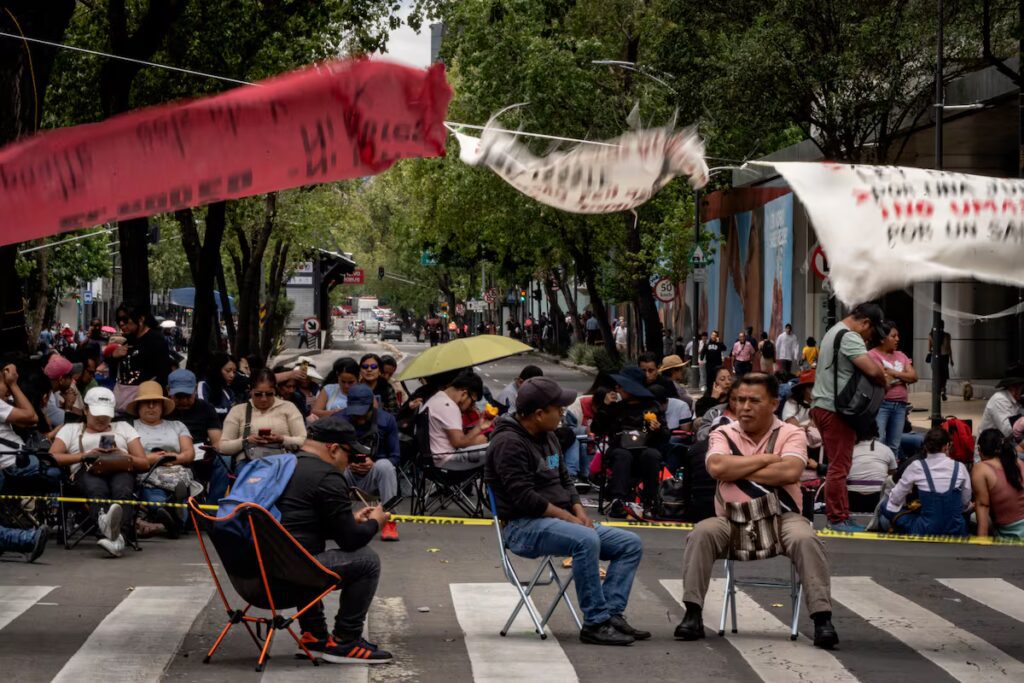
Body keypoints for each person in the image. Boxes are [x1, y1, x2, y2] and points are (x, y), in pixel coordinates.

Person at [676, 373, 837, 649]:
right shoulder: (722, 432)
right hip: (731, 519)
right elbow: (717, 468)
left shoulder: (791, 433)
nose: (744, 407)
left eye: (753, 400)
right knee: (701, 533)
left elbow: (790, 471)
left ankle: (822, 619)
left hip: (781, 519)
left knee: (806, 539)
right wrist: (765, 460)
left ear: (774, 403)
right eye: (739, 400)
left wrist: (737, 467)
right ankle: (692, 614)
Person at [486, 376, 647, 646]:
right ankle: (595, 622)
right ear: (539, 414)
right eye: (557, 409)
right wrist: (570, 519)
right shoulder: (508, 444)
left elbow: (564, 480)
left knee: (629, 543)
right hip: (523, 526)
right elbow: (525, 499)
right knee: (586, 539)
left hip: (561, 521)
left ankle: (611, 614)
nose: (563, 413)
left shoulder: (548, 436)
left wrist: (578, 511)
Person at [273, 417, 393, 664]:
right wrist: (376, 523)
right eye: (351, 456)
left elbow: (298, 523)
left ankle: (314, 635)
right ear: (333, 448)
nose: (350, 463)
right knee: (367, 560)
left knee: (307, 547)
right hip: (288, 577)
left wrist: (350, 519)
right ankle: (345, 641)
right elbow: (350, 541)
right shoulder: (327, 476)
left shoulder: (283, 464)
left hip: (253, 573)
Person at [810, 303, 887, 533]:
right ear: (864, 323)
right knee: (839, 466)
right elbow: (873, 371)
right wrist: (883, 377)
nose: (868, 339)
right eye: (871, 332)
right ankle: (837, 518)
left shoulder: (833, 332)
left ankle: (841, 515)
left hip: (824, 406)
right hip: (835, 410)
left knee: (838, 463)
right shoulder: (849, 337)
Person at [50, 387, 148, 557]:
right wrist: (84, 456)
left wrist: (123, 455)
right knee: (97, 490)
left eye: (106, 414)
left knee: (123, 490)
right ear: (86, 410)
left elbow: (144, 463)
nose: (102, 419)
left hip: (121, 468)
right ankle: (115, 539)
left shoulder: (123, 427)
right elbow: (52, 456)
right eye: (97, 414)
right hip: (86, 471)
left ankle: (115, 538)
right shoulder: (71, 429)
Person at [589, 367, 667, 518]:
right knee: (622, 455)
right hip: (620, 451)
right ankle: (618, 500)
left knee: (652, 454)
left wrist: (657, 429)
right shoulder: (616, 407)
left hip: (645, 450)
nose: (617, 388)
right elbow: (597, 429)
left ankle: (650, 501)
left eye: (621, 385)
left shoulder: (652, 406)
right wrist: (605, 407)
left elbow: (665, 437)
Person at [126, 380, 195, 538]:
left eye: (155, 403)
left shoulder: (177, 426)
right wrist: (149, 460)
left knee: (179, 490)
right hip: (147, 471)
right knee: (155, 495)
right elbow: (125, 455)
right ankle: (169, 522)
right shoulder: (129, 427)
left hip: (175, 470)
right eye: (146, 403)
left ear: (162, 406)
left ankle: (166, 521)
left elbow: (188, 453)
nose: (151, 406)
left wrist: (171, 459)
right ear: (138, 407)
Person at [334, 384, 401, 541]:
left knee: (385, 465)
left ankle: (389, 521)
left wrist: (373, 463)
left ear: (372, 406)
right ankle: (337, 522)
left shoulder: (387, 420)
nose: (359, 418)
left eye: (363, 413)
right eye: (355, 414)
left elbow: (396, 457)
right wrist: (347, 463)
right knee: (333, 466)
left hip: (374, 475)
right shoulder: (337, 420)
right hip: (346, 474)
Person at [881, 428, 970, 536]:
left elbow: (895, 498)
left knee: (885, 505)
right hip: (955, 528)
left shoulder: (916, 466)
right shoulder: (960, 467)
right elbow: (965, 502)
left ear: (925, 447)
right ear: (947, 446)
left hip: (925, 529)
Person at [221, 368, 307, 462]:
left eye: (269, 394)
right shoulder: (238, 411)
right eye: (258, 394)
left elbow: (302, 441)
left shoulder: (288, 407)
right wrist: (246, 441)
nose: (264, 399)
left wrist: (282, 439)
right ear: (250, 390)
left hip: (283, 462)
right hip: (249, 463)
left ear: (275, 390)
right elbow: (224, 447)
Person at [422, 371, 493, 471]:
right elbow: (459, 442)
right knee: (498, 448)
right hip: (448, 462)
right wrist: (477, 439)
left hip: (434, 460)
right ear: (464, 394)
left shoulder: (437, 398)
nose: (471, 407)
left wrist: (479, 427)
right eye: (472, 402)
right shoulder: (448, 406)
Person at [868, 321, 917, 459]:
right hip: (882, 404)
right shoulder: (872, 355)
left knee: (894, 444)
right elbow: (883, 380)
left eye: (898, 336)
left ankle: (891, 475)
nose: (897, 339)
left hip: (901, 405)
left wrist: (893, 373)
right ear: (882, 338)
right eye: (893, 336)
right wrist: (903, 378)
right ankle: (879, 472)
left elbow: (914, 376)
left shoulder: (901, 355)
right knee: (879, 441)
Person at [110, 303, 172, 411]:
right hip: (122, 402)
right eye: (118, 320)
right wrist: (114, 357)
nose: (121, 324)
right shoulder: (129, 340)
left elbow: (164, 373)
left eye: (125, 319)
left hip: (144, 402)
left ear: (141, 319)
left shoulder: (156, 340)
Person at [973, 429, 1024, 538]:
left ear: (980, 450)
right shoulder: (1019, 462)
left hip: (1011, 536)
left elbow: (983, 506)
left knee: (973, 517)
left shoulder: (981, 469)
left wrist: (981, 544)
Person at [848, 437, 897, 513]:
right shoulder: (886, 449)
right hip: (878, 500)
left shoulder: (848, 448)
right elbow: (893, 475)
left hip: (852, 499)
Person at [978, 363, 1024, 438]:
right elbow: (1010, 432)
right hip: (991, 446)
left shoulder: (1017, 400)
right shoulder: (999, 400)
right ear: (1015, 387)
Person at [198, 352, 238, 424]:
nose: (232, 375)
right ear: (217, 369)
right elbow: (203, 408)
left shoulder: (229, 391)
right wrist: (228, 410)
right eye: (228, 371)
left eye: (234, 372)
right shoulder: (203, 385)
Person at [43, 353, 81, 428]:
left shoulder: (51, 391)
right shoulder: (47, 399)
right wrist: (68, 406)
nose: (72, 380)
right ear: (61, 380)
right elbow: (68, 424)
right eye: (70, 377)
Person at [927, 328, 953, 401]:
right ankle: (943, 392)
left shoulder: (931, 335)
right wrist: (951, 359)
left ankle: (937, 393)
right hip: (945, 357)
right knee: (944, 377)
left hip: (935, 358)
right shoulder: (947, 335)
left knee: (937, 376)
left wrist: (934, 350)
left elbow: (929, 349)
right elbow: (949, 348)